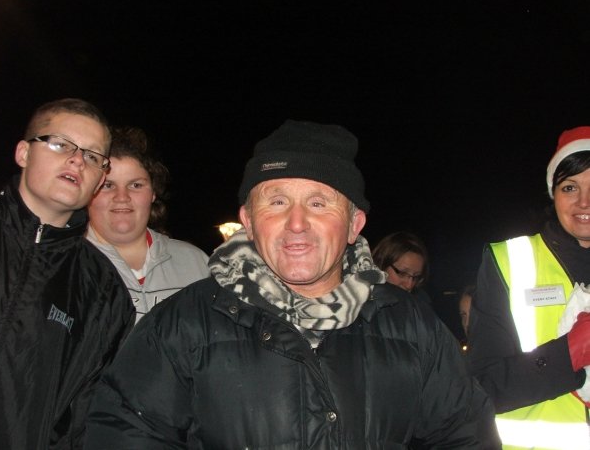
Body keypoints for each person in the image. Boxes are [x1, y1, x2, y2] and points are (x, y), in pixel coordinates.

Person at [85, 119, 499, 449]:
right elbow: (125, 433)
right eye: (277, 201)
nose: (296, 223)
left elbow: (465, 436)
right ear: (248, 220)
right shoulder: (181, 325)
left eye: (319, 203)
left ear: (354, 224)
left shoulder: (410, 325)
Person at [0, 98, 135, 449]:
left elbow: (84, 420)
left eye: (93, 156)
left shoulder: (105, 292)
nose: (77, 160)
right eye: (60, 144)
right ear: (24, 153)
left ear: (99, 180)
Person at [468, 126, 590, 449]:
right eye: (570, 187)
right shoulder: (509, 261)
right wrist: (567, 355)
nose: (584, 202)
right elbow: (479, 389)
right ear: (553, 194)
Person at [87, 126, 210, 324]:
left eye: (135, 185)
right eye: (107, 185)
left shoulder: (195, 263)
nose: (122, 197)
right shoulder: (68, 264)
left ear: (153, 193)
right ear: (88, 191)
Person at [372, 230, 433, 304]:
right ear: (381, 264)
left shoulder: (421, 303)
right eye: (402, 273)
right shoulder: (361, 303)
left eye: (416, 277)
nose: (409, 285)